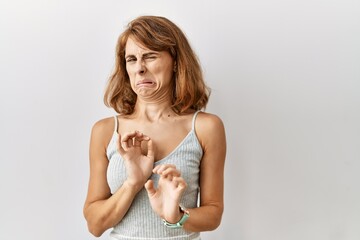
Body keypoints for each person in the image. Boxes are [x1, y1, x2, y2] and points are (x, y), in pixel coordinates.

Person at [83, 15, 226, 240]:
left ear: (176, 62)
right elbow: (95, 225)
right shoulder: (104, 131)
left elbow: (213, 214)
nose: (139, 68)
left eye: (149, 56)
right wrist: (133, 183)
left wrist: (175, 216)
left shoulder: (205, 127)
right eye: (131, 59)